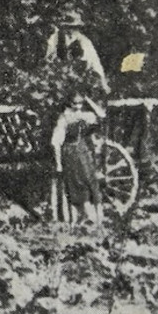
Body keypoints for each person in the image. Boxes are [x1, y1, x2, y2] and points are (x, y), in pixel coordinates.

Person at [51, 94, 106, 225]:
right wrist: (58, 163)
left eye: (80, 104)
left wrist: (88, 99)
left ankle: (97, 220)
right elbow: (56, 142)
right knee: (74, 184)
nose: (78, 106)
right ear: (69, 104)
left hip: (83, 151)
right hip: (70, 153)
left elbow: (102, 115)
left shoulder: (85, 116)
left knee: (91, 182)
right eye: (75, 104)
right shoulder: (64, 119)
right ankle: (76, 220)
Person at [45, 11, 109, 93]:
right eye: (67, 27)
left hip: (79, 75)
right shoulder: (54, 38)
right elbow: (49, 58)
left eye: (74, 28)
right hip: (60, 76)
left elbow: (95, 61)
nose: (71, 30)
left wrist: (102, 80)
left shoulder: (83, 41)